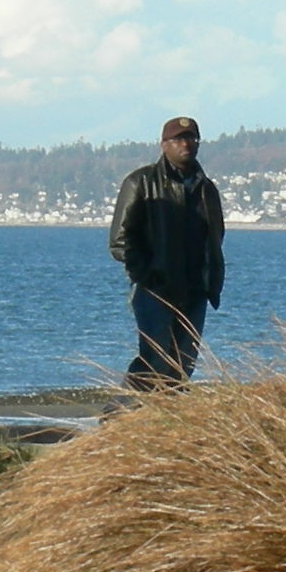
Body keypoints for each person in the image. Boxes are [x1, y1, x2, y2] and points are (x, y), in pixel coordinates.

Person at [108, 115, 224, 387]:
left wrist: (210, 280)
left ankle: (166, 425)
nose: (186, 144)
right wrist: (146, 274)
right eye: (179, 139)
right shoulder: (141, 182)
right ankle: (118, 418)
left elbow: (215, 237)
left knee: (182, 366)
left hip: (195, 290)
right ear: (164, 145)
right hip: (155, 289)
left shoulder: (206, 189)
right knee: (154, 360)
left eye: (191, 138)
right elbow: (120, 240)